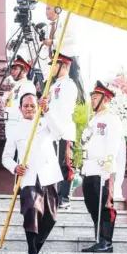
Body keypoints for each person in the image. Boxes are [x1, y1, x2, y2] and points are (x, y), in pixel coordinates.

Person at [2, 93, 63, 254]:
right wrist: (15, 167)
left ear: (38, 107)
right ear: (20, 108)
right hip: (28, 177)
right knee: (31, 210)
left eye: (32, 106)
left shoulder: (46, 123)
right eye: (26, 106)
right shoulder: (14, 129)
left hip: (49, 175)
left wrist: (48, 111)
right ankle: (32, 252)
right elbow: (6, 157)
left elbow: (60, 133)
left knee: (50, 218)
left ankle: (36, 248)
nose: (29, 109)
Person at [79, 81, 123, 253]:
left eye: (95, 98)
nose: (92, 101)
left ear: (105, 99)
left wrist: (108, 168)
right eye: (92, 97)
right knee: (92, 204)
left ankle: (106, 241)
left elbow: (113, 146)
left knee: (105, 205)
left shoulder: (112, 119)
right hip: (89, 168)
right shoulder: (93, 119)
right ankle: (98, 239)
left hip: (103, 168)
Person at [43, 53, 79, 210]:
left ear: (65, 66)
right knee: (52, 165)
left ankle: (64, 197)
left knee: (64, 165)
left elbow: (64, 111)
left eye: (55, 65)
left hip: (63, 130)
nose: (52, 68)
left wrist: (49, 111)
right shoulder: (53, 86)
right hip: (51, 130)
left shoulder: (69, 86)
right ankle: (53, 196)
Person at [2, 55, 37, 138]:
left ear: (24, 70)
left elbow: (30, 109)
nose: (12, 72)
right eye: (12, 69)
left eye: (15, 69)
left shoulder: (28, 85)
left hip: (21, 126)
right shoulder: (15, 86)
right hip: (11, 124)